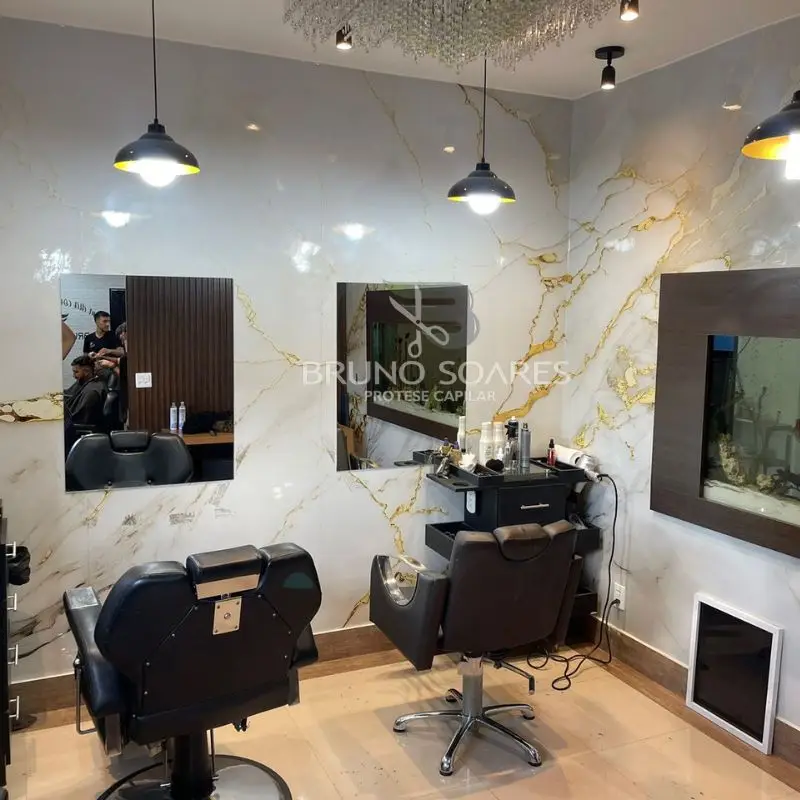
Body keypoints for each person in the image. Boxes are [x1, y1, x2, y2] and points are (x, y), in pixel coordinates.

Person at [64, 356, 106, 429]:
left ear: (86, 371)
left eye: (76, 372)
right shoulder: (82, 383)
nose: (74, 376)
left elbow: (82, 419)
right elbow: (68, 394)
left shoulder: (92, 392)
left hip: (78, 428)